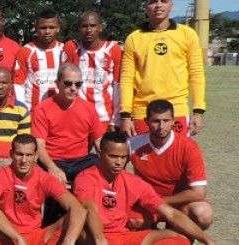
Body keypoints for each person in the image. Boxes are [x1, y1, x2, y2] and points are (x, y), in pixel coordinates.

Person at [75, 131, 214, 245]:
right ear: (100, 153)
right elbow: (89, 209)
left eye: (123, 157)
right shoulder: (86, 178)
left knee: (179, 240)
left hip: (123, 236)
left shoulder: (132, 181)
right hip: (94, 237)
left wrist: (207, 240)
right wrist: (100, 240)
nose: (119, 162)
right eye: (113, 156)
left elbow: (171, 214)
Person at [32, 64, 106, 224]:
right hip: (54, 159)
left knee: (100, 168)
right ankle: (50, 227)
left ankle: (96, 222)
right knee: (52, 182)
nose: (73, 88)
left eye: (78, 84)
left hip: (81, 160)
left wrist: (109, 164)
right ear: (57, 83)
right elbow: (39, 146)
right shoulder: (42, 108)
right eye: (68, 83)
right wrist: (53, 168)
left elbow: (100, 142)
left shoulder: (88, 108)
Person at [119, 0, 206, 137]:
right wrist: (125, 115)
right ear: (146, 6)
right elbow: (126, 78)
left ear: (171, 5)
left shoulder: (187, 34)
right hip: (143, 112)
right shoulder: (133, 38)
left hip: (177, 111)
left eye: (164, 1)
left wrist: (198, 111)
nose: (158, 5)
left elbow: (196, 74)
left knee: (176, 157)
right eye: (153, 1)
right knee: (144, 158)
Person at [0, 134, 86, 245]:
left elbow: (78, 209)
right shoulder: (0, 176)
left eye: (29, 155)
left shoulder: (44, 177)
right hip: (8, 233)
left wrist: (69, 241)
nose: (24, 160)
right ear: (11, 154)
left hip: (36, 234)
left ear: (36, 156)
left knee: (75, 218)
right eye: (19, 154)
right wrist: (16, 238)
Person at [128, 100, 213, 229]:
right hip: (147, 203)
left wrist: (162, 201)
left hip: (179, 204)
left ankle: (177, 236)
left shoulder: (189, 147)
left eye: (166, 121)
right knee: (130, 219)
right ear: (146, 121)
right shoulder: (132, 144)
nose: (161, 126)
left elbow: (198, 193)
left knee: (203, 213)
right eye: (156, 121)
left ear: (173, 121)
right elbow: (113, 173)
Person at [64, 11, 122, 130]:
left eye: (93, 26)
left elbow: (118, 86)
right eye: (84, 26)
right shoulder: (72, 47)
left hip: (105, 118)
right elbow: (64, 83)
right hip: (78, 117)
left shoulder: (113, 49)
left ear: (100, 27)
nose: (89, 30)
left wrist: (115, 119)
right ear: (78, 28)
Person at [13, 9, 67, 110]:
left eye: (51, 27)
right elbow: (18, 84)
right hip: (33, 111)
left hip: (59, 110)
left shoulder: (64, 50)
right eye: (43, 28)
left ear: (58, 28)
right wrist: (22, 110)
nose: (47, 31)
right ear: (36, 29)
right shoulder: (26, 51)